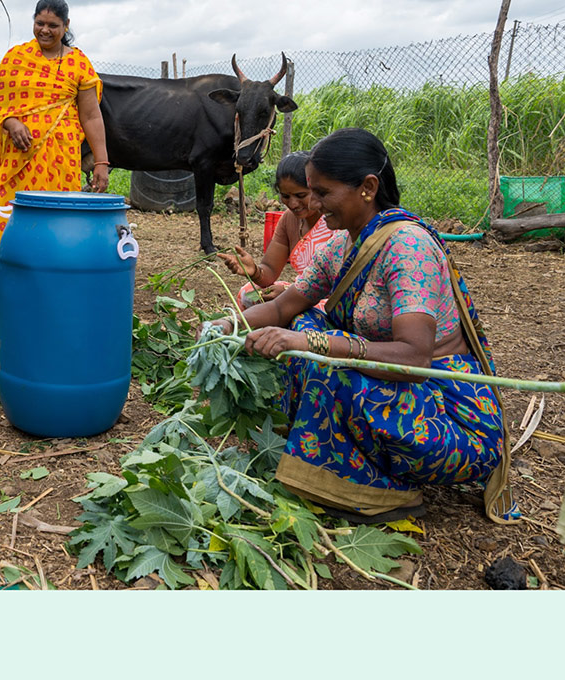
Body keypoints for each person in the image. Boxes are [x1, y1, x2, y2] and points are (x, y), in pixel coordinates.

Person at [223, 127, 515, 524]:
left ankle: (382, 492)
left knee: (322, 353)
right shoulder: (344, 245)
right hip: (393, 390)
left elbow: (415, 357)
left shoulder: (407, 248)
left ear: (368, 187)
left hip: (446, 416)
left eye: (323, 193)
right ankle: (328, 457)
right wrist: (228, 324)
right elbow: (282, 308)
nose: (314, 203)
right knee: (302, 320)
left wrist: (314, 343)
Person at [0, 0, 111, 302]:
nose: (45, 30)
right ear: (33, 21)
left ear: (66, 26)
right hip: (18, 162)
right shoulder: (16, 58)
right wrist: (11, 123)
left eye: (53, 25)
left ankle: (51, 295)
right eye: (39, 23)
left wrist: (101, 163)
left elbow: (91, 115)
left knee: (57, 230)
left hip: (60, 162)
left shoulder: (78, 63)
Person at [220, 149, 348, 310]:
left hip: (334, 299)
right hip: (302, 291)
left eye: (301, 195)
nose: (293, 204)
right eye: (286, 196)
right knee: (248, 293)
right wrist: (253, 271)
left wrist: (289, 291)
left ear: (317, 190)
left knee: (299, 312)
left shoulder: (335, 221)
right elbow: (270, 270)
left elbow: (341, 285)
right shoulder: (289, 220)